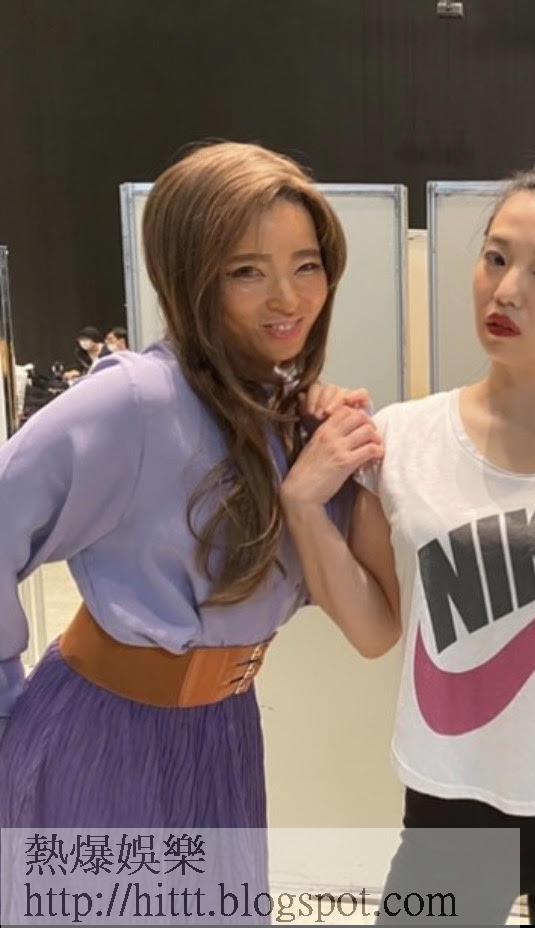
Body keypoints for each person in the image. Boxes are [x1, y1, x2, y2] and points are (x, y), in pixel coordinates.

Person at [279, 143, 535, 924]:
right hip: (450, 801)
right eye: (496, 258)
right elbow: (376, 631)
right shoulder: (400, 441)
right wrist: (304, 506)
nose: (506, 290)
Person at [0, 141, 375, 837]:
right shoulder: (134, 401)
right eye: (246, 271)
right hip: (104, 736)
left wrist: (315, 468)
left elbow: (369, 618)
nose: (288, 298)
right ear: (189, 276)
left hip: (223, 734)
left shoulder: (290, 416)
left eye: (307, 265)